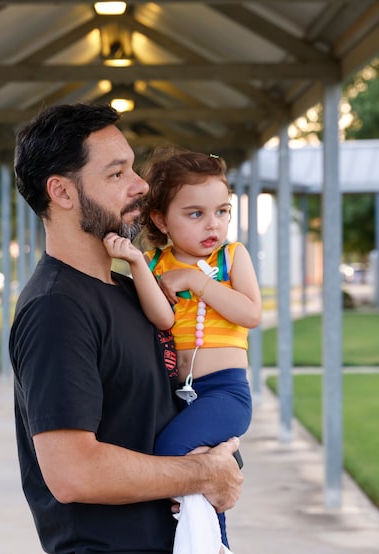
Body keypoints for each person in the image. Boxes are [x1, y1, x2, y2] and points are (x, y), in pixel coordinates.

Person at [10, 103, 244, 554]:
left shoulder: (132, 290)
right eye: (117, 174)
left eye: (133, 169)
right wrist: (203, 475)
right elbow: (73, 472)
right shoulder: (56, 308)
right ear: (61, 191)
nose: (141, 186)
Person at [104, 149, 262, 552]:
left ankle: (213, 544)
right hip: (181, 395)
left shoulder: (231, 257)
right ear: (160, 219)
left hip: (225, 392)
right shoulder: (158, 264)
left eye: (222, 211)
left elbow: (250, 313)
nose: (214, 224)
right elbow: (163, 319)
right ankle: (206, 541)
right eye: (195, 214)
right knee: (195, 468)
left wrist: (197, 280)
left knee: (175, 455)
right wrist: (139, 266)